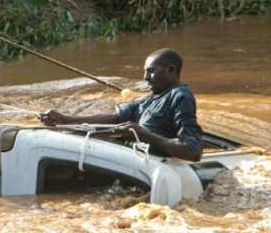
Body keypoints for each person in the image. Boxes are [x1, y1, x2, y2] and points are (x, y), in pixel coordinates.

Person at [39, 48, 203, 162]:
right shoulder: (150, 99)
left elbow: (193, 151)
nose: (145, 77)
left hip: (153, 163)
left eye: (151, 71)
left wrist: (142, 134)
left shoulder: (180, 96)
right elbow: (114, 118)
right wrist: (64, 119)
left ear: (171, 70)